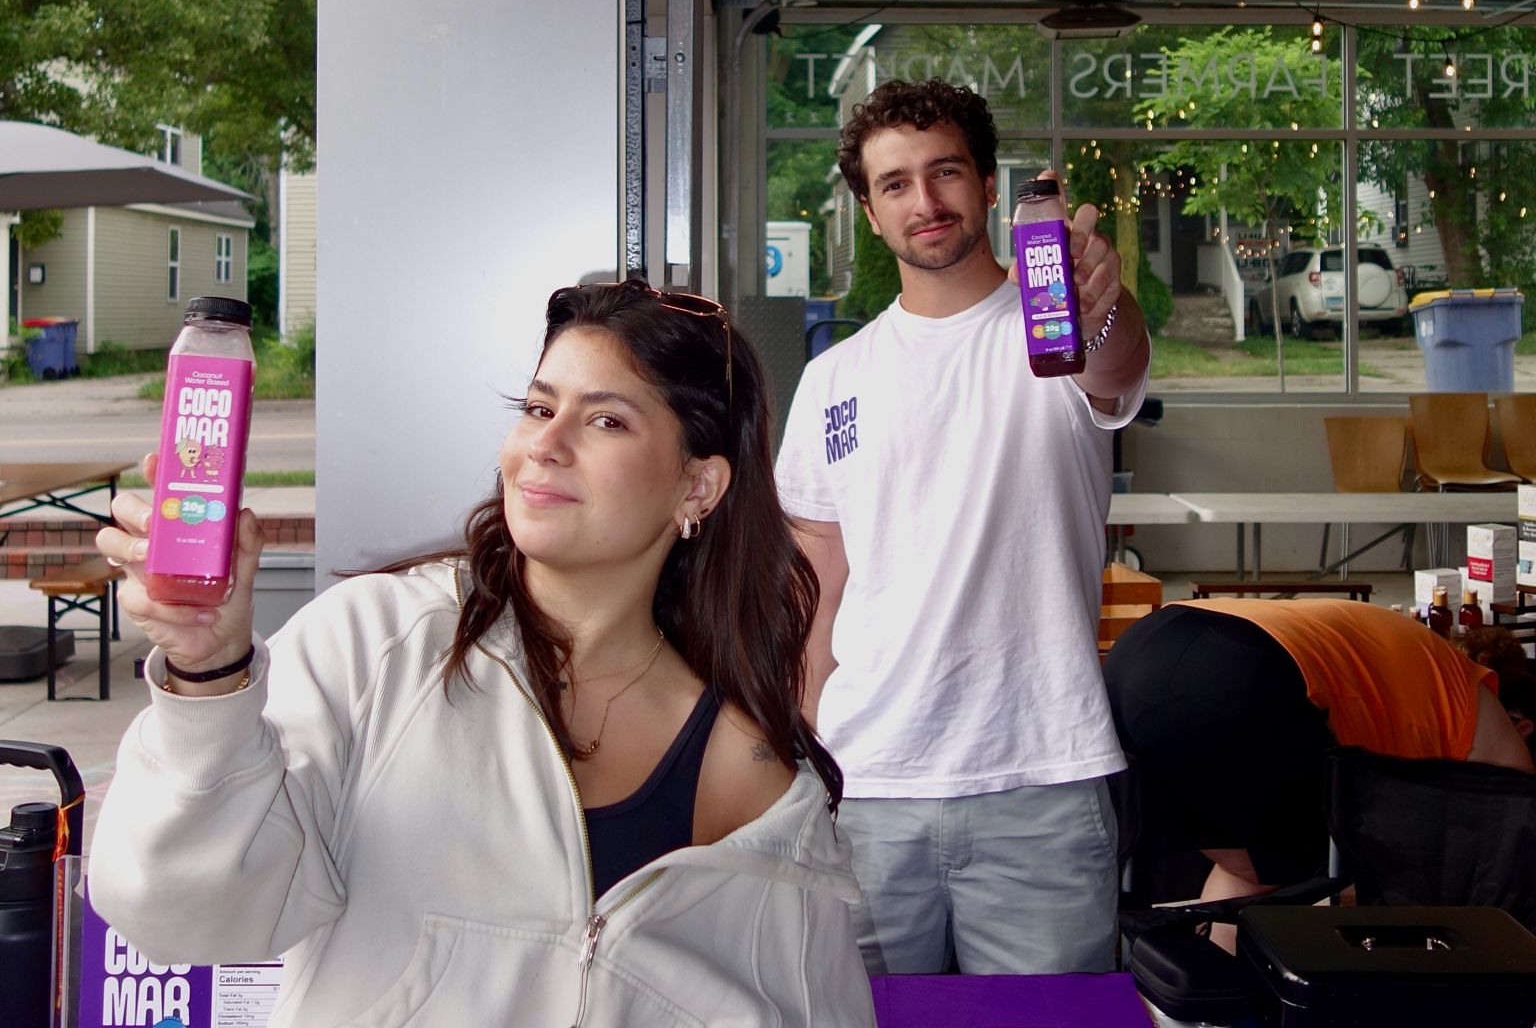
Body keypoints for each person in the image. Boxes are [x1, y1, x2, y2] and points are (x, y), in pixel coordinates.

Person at [90, 278, 876, 1027]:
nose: (546, 445)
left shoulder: (754, 775)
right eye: (538, 407)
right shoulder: (376, 646)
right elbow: (183, 915)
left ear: (698, 488)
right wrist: (207, 676)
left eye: (606, 421)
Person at [775, 78, 1151, 976]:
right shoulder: (834, 380)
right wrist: (797, 763)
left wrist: (1103, 306)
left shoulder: (1053, 337)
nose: (925, 201)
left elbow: (1116, 359)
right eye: (895, 183)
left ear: (988, 185)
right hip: (863, 789)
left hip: (1041, 783)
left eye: (945, 172)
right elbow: (814, 592)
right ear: (869, 212)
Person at [1103, 597, 1535, 933]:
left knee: (1243, 871)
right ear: (1527, 725)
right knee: (1268, 881)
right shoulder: (1485, 733)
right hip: (1237, 674)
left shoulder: (1431, 671)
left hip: (1147, 646)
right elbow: (1499, 863)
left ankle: (1189, 1002)